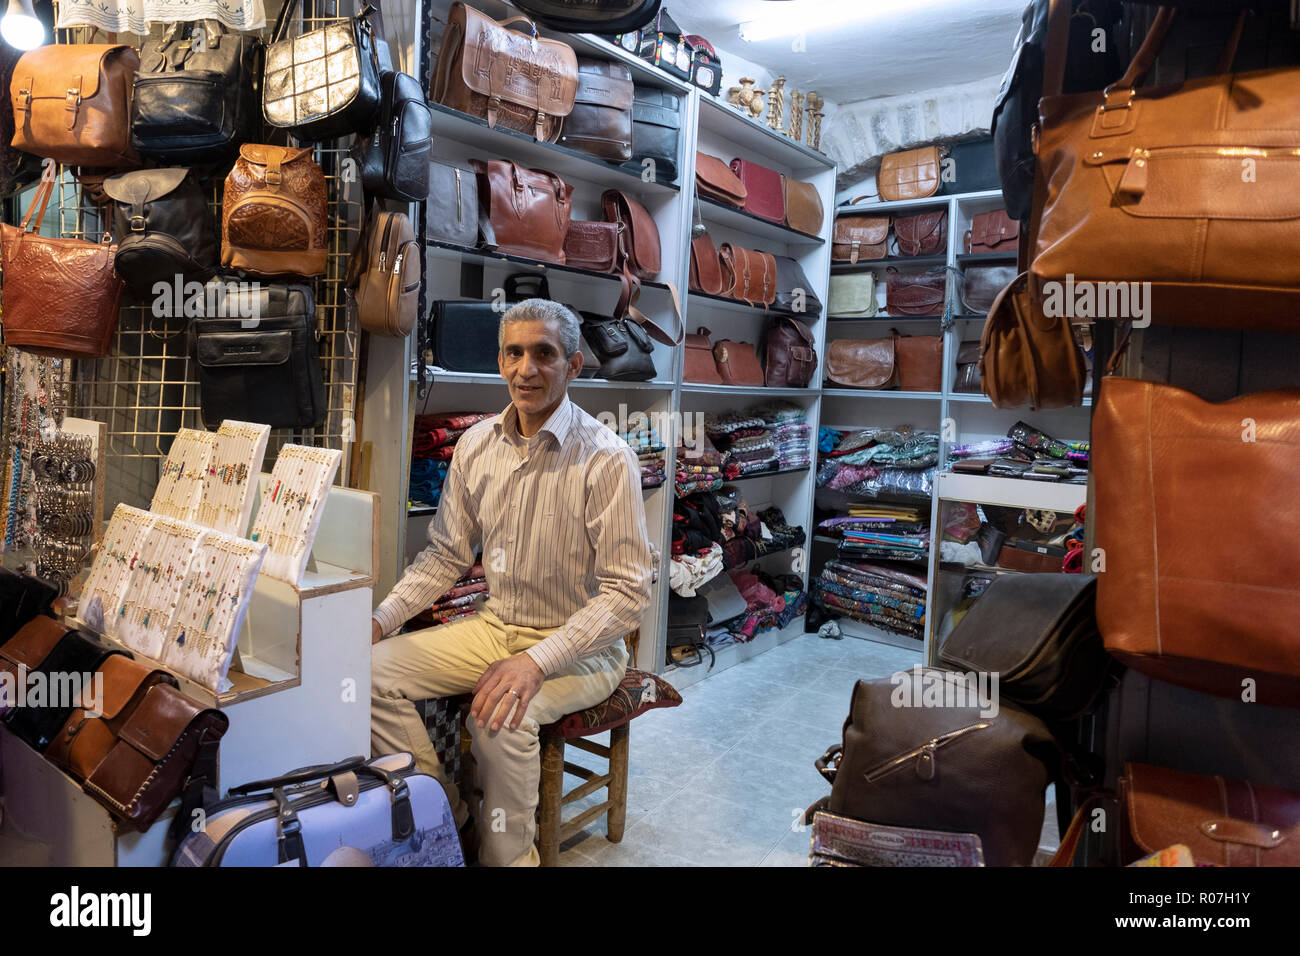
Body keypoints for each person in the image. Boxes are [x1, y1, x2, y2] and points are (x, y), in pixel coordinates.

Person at [370, 298, 654, 867]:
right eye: (514, 352)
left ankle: (509, 859)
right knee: (370, 673)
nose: (527, 368)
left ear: (573, 366)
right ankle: (446, 818)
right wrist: (380, 619)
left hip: (582, 652)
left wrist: (538, 662)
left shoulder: (605, 458)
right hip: (496, 630)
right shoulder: (476, 445)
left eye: (544, 354)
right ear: (500, 361)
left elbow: (627, 593)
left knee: (498, 718)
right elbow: (446, 556)